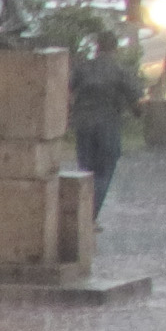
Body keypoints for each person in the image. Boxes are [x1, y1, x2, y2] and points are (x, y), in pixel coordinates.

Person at [71, 37, 143, 216]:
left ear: (97, 48)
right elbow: (137, 102)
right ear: (115, 49)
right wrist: (138, 113)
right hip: (108, 125)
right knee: (103, 172)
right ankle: (90, 215)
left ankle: (82, 215)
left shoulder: (83, 68)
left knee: (85, 172)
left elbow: (67, 90)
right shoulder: (120, 71)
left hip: (84, 124)